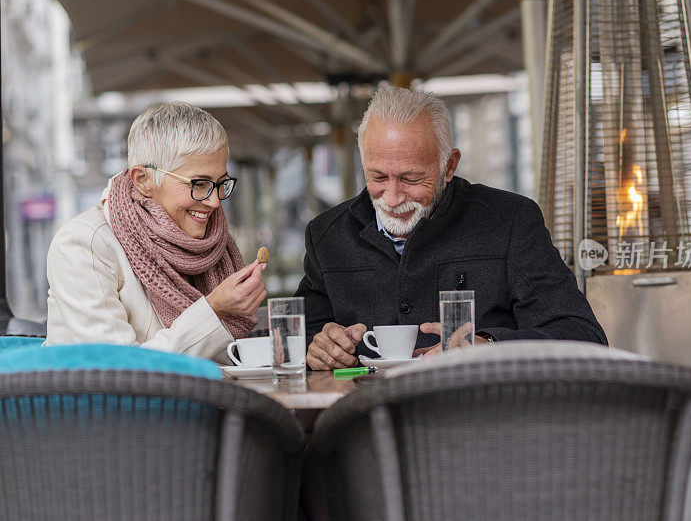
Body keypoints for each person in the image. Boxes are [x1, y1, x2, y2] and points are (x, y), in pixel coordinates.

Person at [297, 87, 608, 370]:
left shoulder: (510, 221)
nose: (392, 198)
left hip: (480, 421)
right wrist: (318, 348)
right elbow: (301, 340)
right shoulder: (327, 236)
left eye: (411, 179)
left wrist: (489, 347)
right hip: (366, 421)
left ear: (449, 165)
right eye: (377, 177)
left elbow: (582, 336)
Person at [45, 103, 266, 362]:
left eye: (220, 184)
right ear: (143, 180)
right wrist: (214, 309)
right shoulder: (83, 243)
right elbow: (117, 368)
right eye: (200, 183)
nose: (215, 202)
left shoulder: (213, 242)